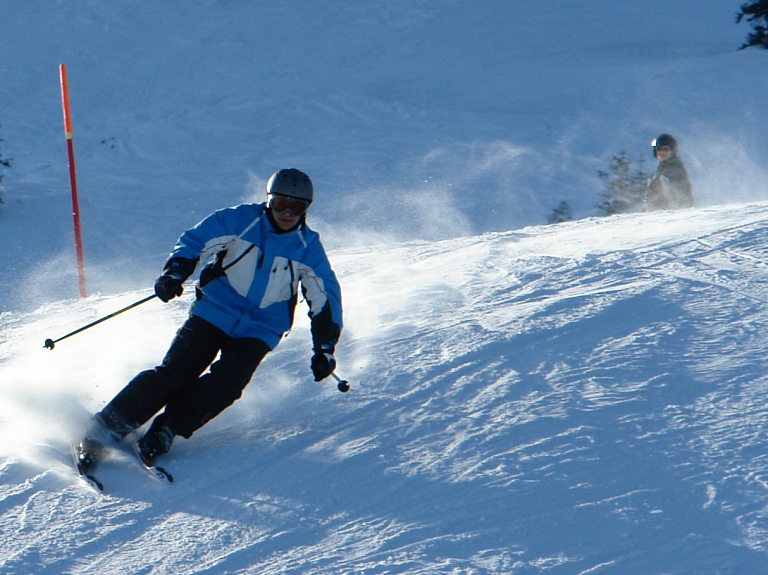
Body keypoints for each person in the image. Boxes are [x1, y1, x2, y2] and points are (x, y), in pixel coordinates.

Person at [74, 168, 343, 471]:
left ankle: (166, 429)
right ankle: (104, 429)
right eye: (281, 204)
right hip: (216, 307)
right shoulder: (242, 221)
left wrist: (324, 347)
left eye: (297, 207)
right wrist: (175, 272)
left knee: (228, 384)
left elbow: (325, 297)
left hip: (262, 326)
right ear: (269, 200)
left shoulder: (308, 248)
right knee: (176, 372)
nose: (287, 213)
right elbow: (196, 240)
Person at [645, 133, 694, 211]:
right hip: (657, 216)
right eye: (659, 149)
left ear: (673, 151)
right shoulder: (660, 170)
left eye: (666, 149)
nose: (662, 152)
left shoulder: (675, 169)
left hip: (668, 216)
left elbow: (683, 195)